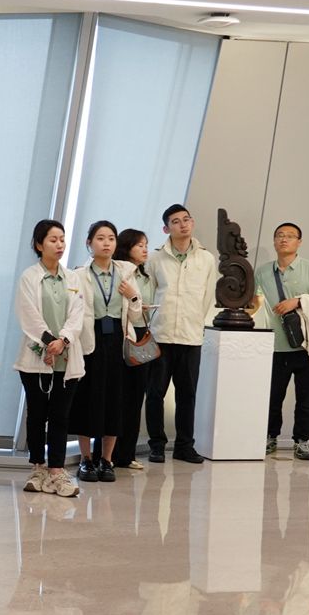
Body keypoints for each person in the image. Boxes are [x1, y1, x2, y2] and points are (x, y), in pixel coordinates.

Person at [70, 220, 145, 483]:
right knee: (86, 399)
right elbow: (74, 310)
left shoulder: (126, 272)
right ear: (89, 243)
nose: (106, 243)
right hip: (89, 341)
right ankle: (86, 460)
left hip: (117, 340)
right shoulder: (79, 275)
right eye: (100, 238)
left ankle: (106, 459)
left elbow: (136, 314)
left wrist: (133, 295)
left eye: (111, 238)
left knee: (115, 399)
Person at [14, 219, 84, 498]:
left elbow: (78, 314)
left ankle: (57, 470)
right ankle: (38, 467)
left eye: (62, 239)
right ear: (39, 244)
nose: (59, 245)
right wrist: (48, 343)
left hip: (66, 357)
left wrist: (62, 340)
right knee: (36, 414)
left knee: (60, 416)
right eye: (53, 240)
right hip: (36, 358)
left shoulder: (73, 279)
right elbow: (28, 314)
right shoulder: (29, 277)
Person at [148, 204, 218, 464]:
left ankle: (184, 446)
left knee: (187, 395)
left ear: (192, 222)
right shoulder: (155, 258)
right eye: (176, 221)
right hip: (161, 335)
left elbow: (207, 296)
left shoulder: (206, 258)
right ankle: (157, 445)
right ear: (166, 229)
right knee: (155, 393)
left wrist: (197, 322)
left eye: (186, 219)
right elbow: (150, 295)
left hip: (190, 336)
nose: (183, 225)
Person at [257, 222, 309, 461]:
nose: (284, 239)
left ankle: (302, 441)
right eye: (279, 235)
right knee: (272, 396)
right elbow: (256, 302)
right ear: (274, 241)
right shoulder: (263, 272)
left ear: (299, 242)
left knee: (306, 398)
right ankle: (270, 437)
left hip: (307, 346)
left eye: (290, 236)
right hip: (275, 345)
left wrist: (297, 301)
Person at [112, 228, 160, 471]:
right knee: (118, 395)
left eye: (146, 245)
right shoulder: (120, 272)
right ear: (127, 247)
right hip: (124, 334)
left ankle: (127, 453)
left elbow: (140, 303)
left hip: (142, 334)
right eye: (140, 245)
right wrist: (135, 301)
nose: (145, 249)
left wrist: (142, 304)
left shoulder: (145, 275)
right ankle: (110, 453)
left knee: (136, 395)